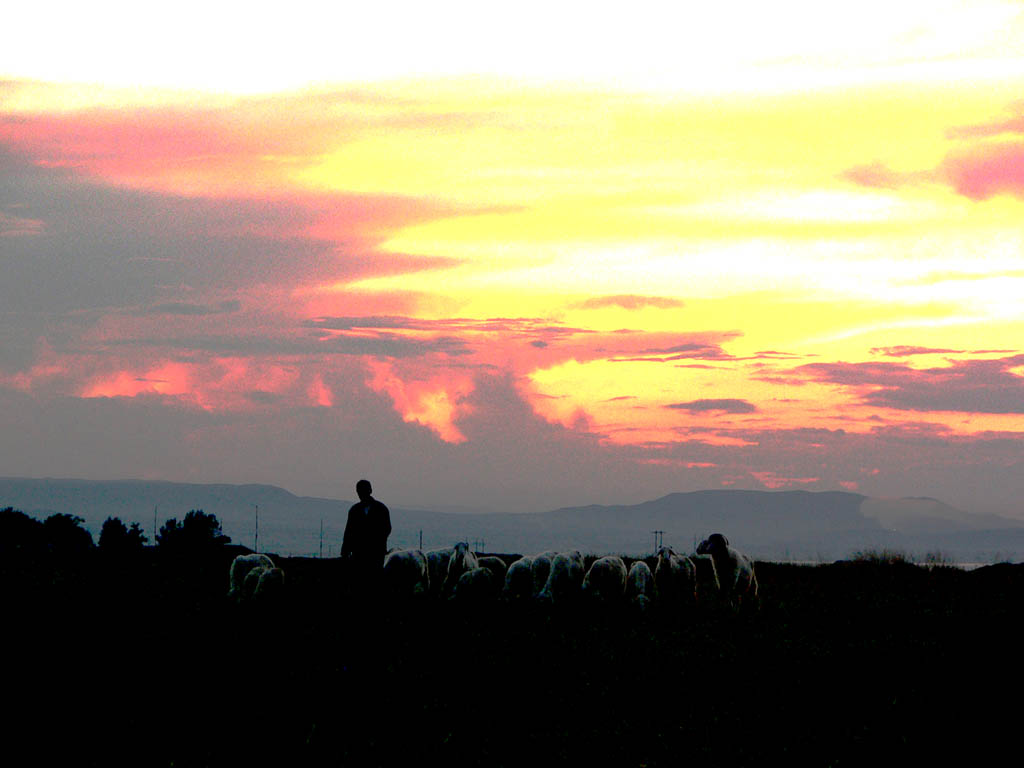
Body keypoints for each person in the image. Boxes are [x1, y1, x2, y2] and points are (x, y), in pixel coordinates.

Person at [341, 479, 391, 594]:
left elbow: (386, 529)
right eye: (359, 491)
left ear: (370, 491)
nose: (360, 493)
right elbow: (348, 532)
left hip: (375, 554)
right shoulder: (354, 510)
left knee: (374, 583)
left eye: (362, 490)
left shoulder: (381, 509)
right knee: (360, 584)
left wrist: (375, 542)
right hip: (359, 554)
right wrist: (345, 551)